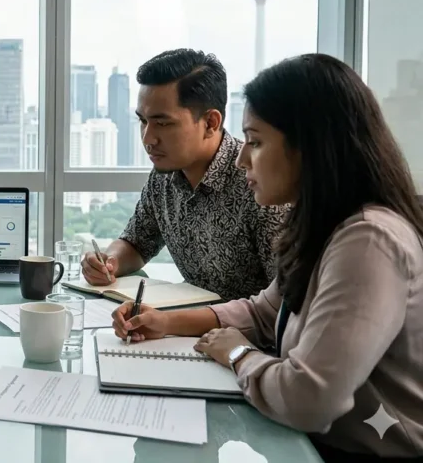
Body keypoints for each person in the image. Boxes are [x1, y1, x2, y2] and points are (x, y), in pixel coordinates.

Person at [110, 54, 423, 461]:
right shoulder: (324, 227)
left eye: (255, 142)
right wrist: (166, 322)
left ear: (309, 146)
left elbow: (308, 400)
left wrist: (238, 354)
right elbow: (265, 312)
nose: (242, 158)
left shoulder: (368, 242)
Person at [82, 48, 287, 301]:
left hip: (242, 326)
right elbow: (136, 242)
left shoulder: (260, 184)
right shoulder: (164, 175)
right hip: (184, 321)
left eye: (163, 123)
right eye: (143, 121)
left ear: (210, 123)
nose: (148, 139)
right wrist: (108, 262)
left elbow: (287, 301)